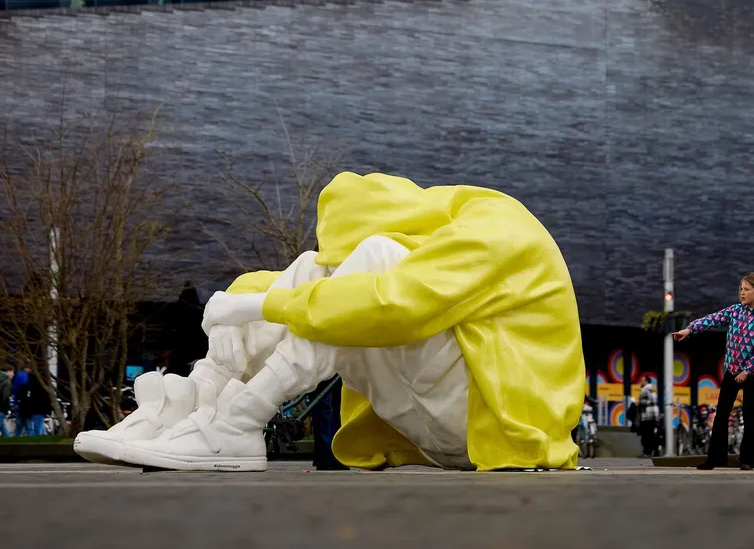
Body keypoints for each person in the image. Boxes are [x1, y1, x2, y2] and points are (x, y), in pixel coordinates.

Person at [74, 171, 586, 472]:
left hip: (505, 427)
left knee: (373, 266)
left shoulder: (497, 231)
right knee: (313, 276)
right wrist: (239, 301)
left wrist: (258, 307)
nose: (336, 259)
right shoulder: (424, 228)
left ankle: (239, 423)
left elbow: (394, 302)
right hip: (440, 425)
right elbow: (293, 280)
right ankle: (193, 403)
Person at [673, 272, 754, 471]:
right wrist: (689, 330)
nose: (742, 293)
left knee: (749, 414)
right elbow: (713, 319)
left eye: (746, 289)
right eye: (741, 289)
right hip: (732, 371)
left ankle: (747, 460)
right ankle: (715, 458)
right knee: (721, 414)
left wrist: (748, 370)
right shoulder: (736, 311)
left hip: (752, 374)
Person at [637, 376, 659, 458]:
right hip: (653, 415)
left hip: (647, 416)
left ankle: (647, 452)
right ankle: (655, 451)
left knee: (647, 435)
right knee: (652, 434)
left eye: (642, 380)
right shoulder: (652, 390)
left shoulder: (644, 390)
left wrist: (637, 404)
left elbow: (643, 403)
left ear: (646, 381)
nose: (641, 382)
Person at [0, 364, 13, 437]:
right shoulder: (7, 381)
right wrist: (6, 409)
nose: (13, 374)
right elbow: (5, 397)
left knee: (4, 431)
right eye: (12, 372)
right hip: (1, 408)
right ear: (8, 371)